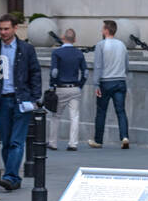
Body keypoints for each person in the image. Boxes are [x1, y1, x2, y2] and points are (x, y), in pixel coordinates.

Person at [0, 14, 42, 191]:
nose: (3, 32)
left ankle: (10, 176)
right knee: (6, 142)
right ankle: (14, 178)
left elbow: (35, 73)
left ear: (15, 28)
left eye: (6, 29)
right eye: (0, 29)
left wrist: (35, 99)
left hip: (21, 100)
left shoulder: (26, 49)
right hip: (2, 100)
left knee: (16, 141)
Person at [89, 19, 130, 149]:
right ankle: (124, 136)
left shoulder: (101, 45)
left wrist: (96, 84)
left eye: (102, 28)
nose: (101, 30)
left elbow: (98, 66)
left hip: (105, 82)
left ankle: (98, 140)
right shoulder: (122, 45)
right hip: (120, 81)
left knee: (101, 112)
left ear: (107, 30)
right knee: (121, 111)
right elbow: (126, 65)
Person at [47, 28, 86, 151]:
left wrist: (52, 86)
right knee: (74, 116)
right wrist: (80, 85)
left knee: (56, 116)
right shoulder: (79, 53)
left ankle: (53, 142)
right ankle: (73, 143)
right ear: (74, 40)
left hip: (61, 88)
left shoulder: (57, 53)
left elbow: (54, 72)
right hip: (74, 88)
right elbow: (85, 73)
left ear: (63, 38)